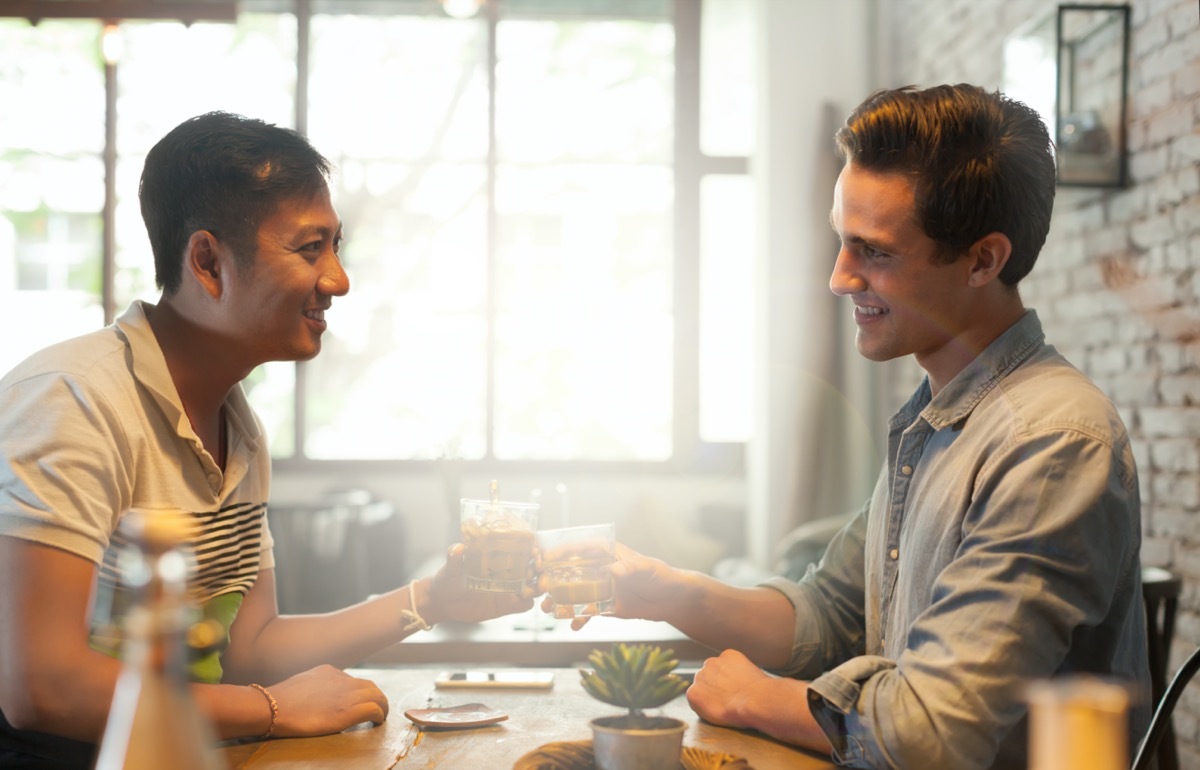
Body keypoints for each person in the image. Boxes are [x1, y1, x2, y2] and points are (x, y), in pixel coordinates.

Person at [560, 84, 1151, 769]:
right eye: (842, 241)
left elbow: (930, 732)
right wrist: (663, 591)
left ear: (983, 260)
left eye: (873, 253)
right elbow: (829, 617)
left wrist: (759, 698)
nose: (839, 279)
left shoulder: (1051, 443)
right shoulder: (937, 422)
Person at [0, 112, 533, 768]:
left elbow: (252, 648)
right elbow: (40, 687)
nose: (338, 280)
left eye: (337, 247)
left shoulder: (237, 423)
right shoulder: (72, 397)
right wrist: (274, 710)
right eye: (310, 248)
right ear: (208, 261)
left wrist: (432, 600)